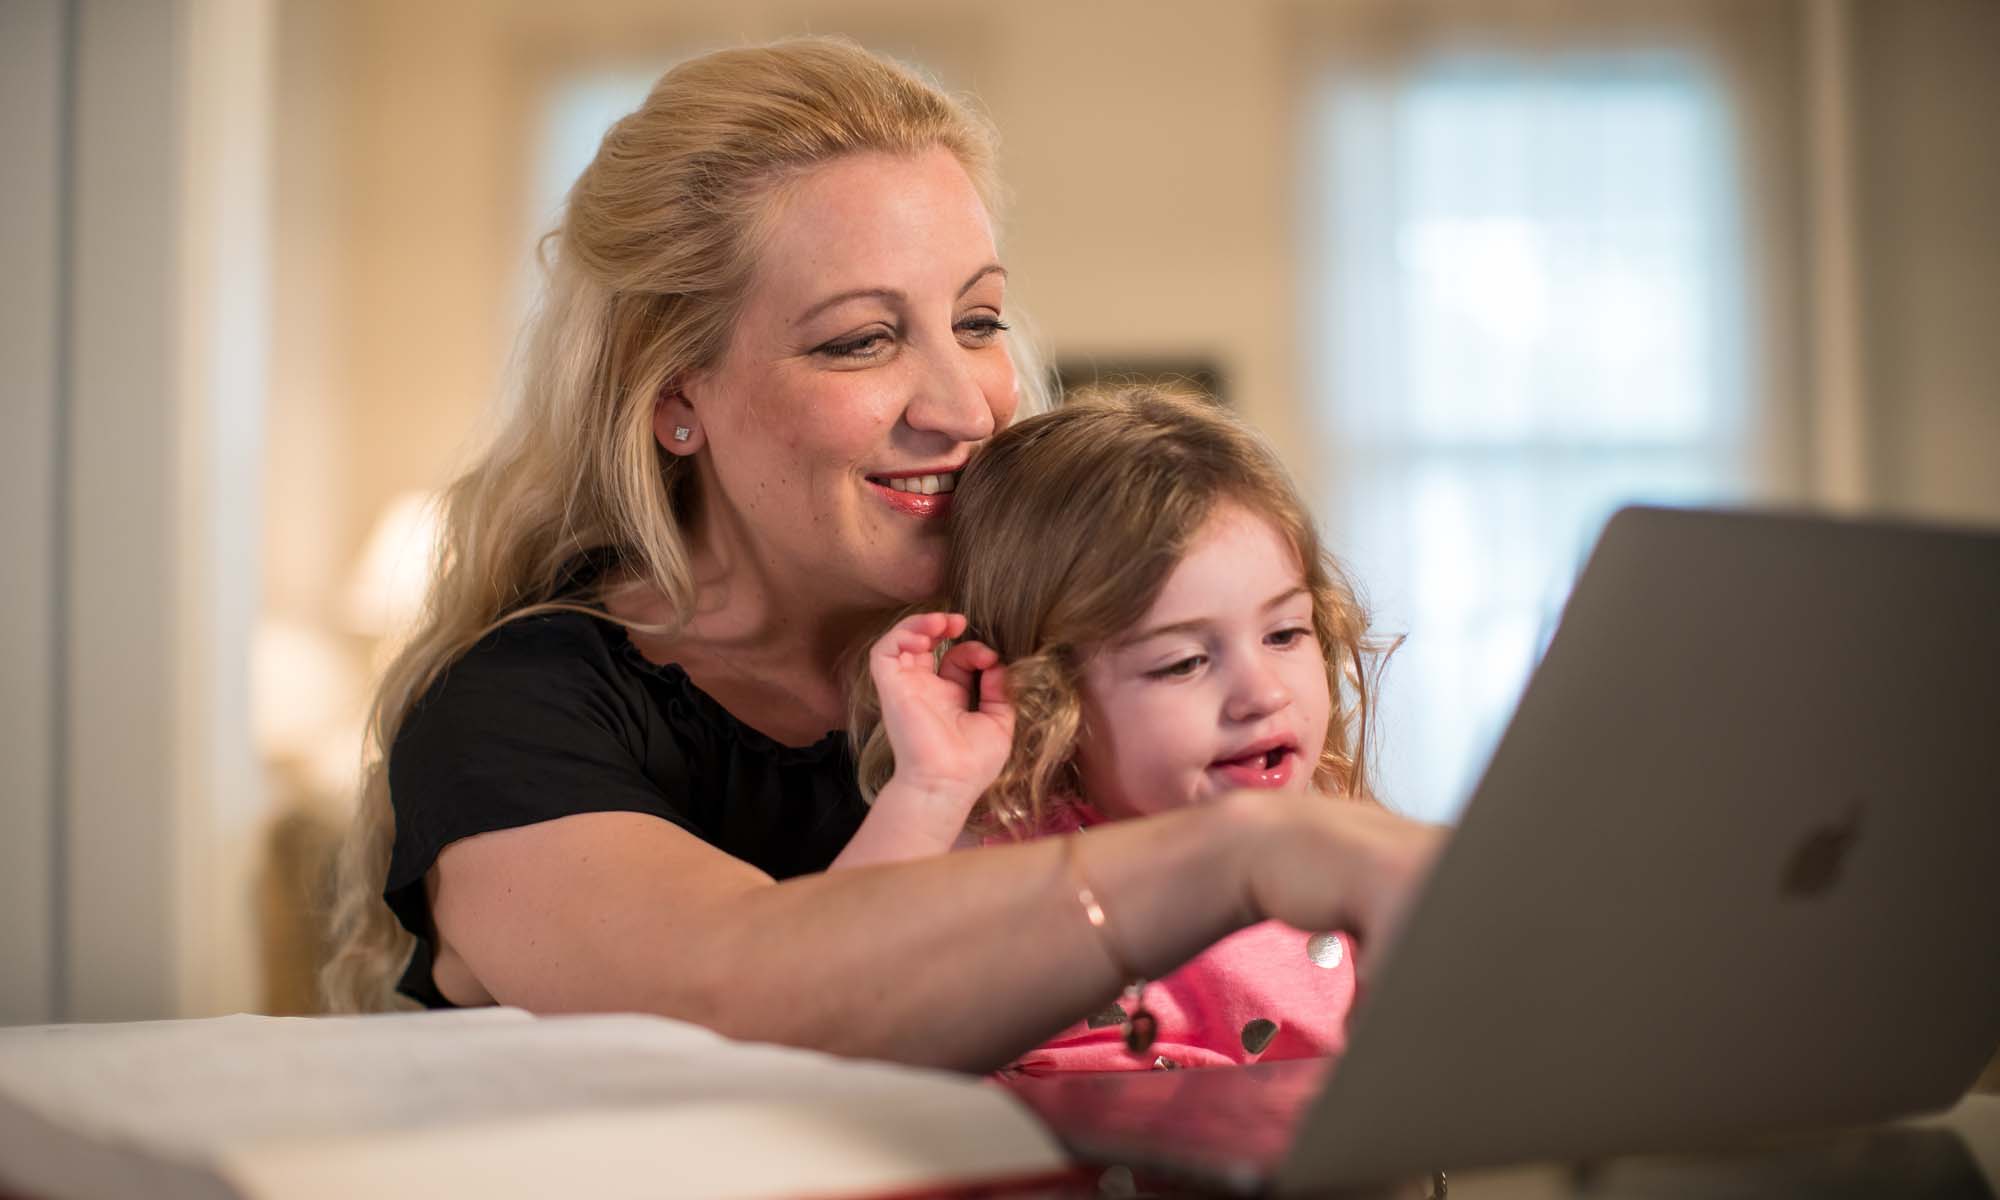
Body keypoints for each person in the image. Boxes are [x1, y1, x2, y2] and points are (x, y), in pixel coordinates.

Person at [322, 36, 1445, 1073]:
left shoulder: (1043, 642)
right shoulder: (519, 718)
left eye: (978, 321)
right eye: (861, 340)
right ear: (676, 399)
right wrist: (1237, 855)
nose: (962, 407)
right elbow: (738, 997)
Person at [839, 388, 1391, 1071]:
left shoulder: (1342, 856)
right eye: (1184, 661)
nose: (1264, 693)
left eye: (1285, 632)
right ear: (1049, 697)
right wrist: (931, 788)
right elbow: (839, 981)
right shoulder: (1010, 854)